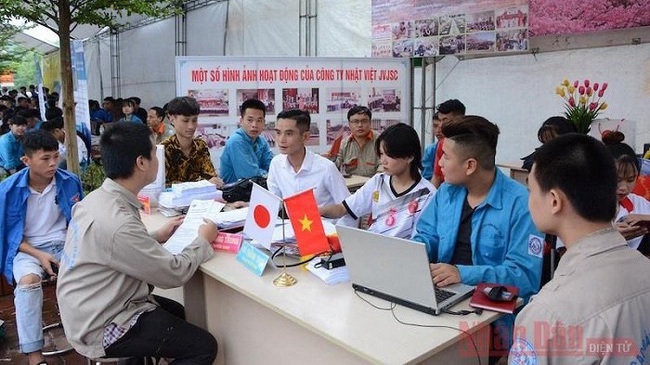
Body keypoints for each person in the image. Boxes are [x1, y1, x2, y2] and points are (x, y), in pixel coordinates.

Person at [57, 122, 219, 364]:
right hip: (101, 323)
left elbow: (113, 247)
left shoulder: (98, 199)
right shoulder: (119, 222)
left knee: (176, 314)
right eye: (154, 153)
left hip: (87, 307)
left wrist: (157, 236)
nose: (157, 159)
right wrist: (203, 240)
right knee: (203, 346)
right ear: (141, 163)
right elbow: (172, 274)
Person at [509, 133, 650, 364]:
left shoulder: (548, 313)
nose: (529, 199)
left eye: (531, 190)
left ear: (554, 201)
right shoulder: (645, 269)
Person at [412, 116, 543, 355]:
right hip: (442, 295)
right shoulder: (447, 193)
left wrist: (462, 273)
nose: (439, 163)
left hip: (491, 318)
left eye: (446, 156)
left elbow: (525, 276)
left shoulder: (521, 204)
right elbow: (426, 236)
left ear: (470, 165)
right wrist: (410, 255)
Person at [0, 130, 83, 365]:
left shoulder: (69, 181)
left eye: (56, 156)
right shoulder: (7, 190)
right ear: (26, 161)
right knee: (27, 283)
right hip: (27, 249)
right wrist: (39, 255)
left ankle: (91, 335)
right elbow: (8, 236)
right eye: (45, 158)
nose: (53, 163)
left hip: (65, 243)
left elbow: (78, 223)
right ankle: (35, 355)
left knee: (93, 271)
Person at [320, 123, 436, 238]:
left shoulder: (427, 194)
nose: (382, 161)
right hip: (372, 248)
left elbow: (420, 242)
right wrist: (317, 211)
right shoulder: (378, 181)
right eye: (381, 154)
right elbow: (342, 208)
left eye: (389, 155)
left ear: (410, 157)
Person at [267, 109, 349, 207]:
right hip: (292, 222)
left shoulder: (326, 168)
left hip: (325, 221)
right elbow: (274, 204)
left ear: (305, 137)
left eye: (289, 134)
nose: (281, 140)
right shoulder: (276, 164)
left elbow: (349, 209)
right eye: (278, 133)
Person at [602, 131, 650, 250]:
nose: (624, 187)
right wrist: (610, 238)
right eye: (617, 180)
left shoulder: (639, 203)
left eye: (630, 179)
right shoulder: (583, 207)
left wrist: (646, 218)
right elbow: (567, 252)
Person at [161, 96, 223, 187]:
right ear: (172, 119)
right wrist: (201, 184)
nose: (191, 126)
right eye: (185, 121)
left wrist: (214, 182)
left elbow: (210, 177)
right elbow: (162, 185)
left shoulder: (201, 146)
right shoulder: (164, 149)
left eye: (194, 120)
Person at [219, 99, 274, 184]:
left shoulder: (262, 141)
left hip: (255, 191)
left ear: (264, 122)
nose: (254, 125)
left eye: (259, 120)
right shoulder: (236, 141)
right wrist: (267, 174)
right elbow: (251, 177)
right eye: (250, 120)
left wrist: (267, 174)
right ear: (241, 121)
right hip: (234, 194)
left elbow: (273, 167)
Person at [334, 106, 379, 177]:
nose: (360, 125)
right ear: (349, 124)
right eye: (355, 122)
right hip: (353, 186)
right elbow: (335, 166)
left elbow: (384, 169)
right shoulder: (344, 143)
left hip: (375, 185)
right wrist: (330, 159)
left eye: (364, 121)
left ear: (370, 122)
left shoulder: (380, 142)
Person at [431, 99, 466, 188]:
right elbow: (436, 177)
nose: (441, 125)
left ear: (459, 119)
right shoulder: (441, 144)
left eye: (445, 120)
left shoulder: (472, 143)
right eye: (440, 120)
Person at [422, 112, 443, 181]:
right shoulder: (430, 150)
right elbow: (427, 177)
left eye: (442, 127)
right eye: (435, 126)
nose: (438, 131)